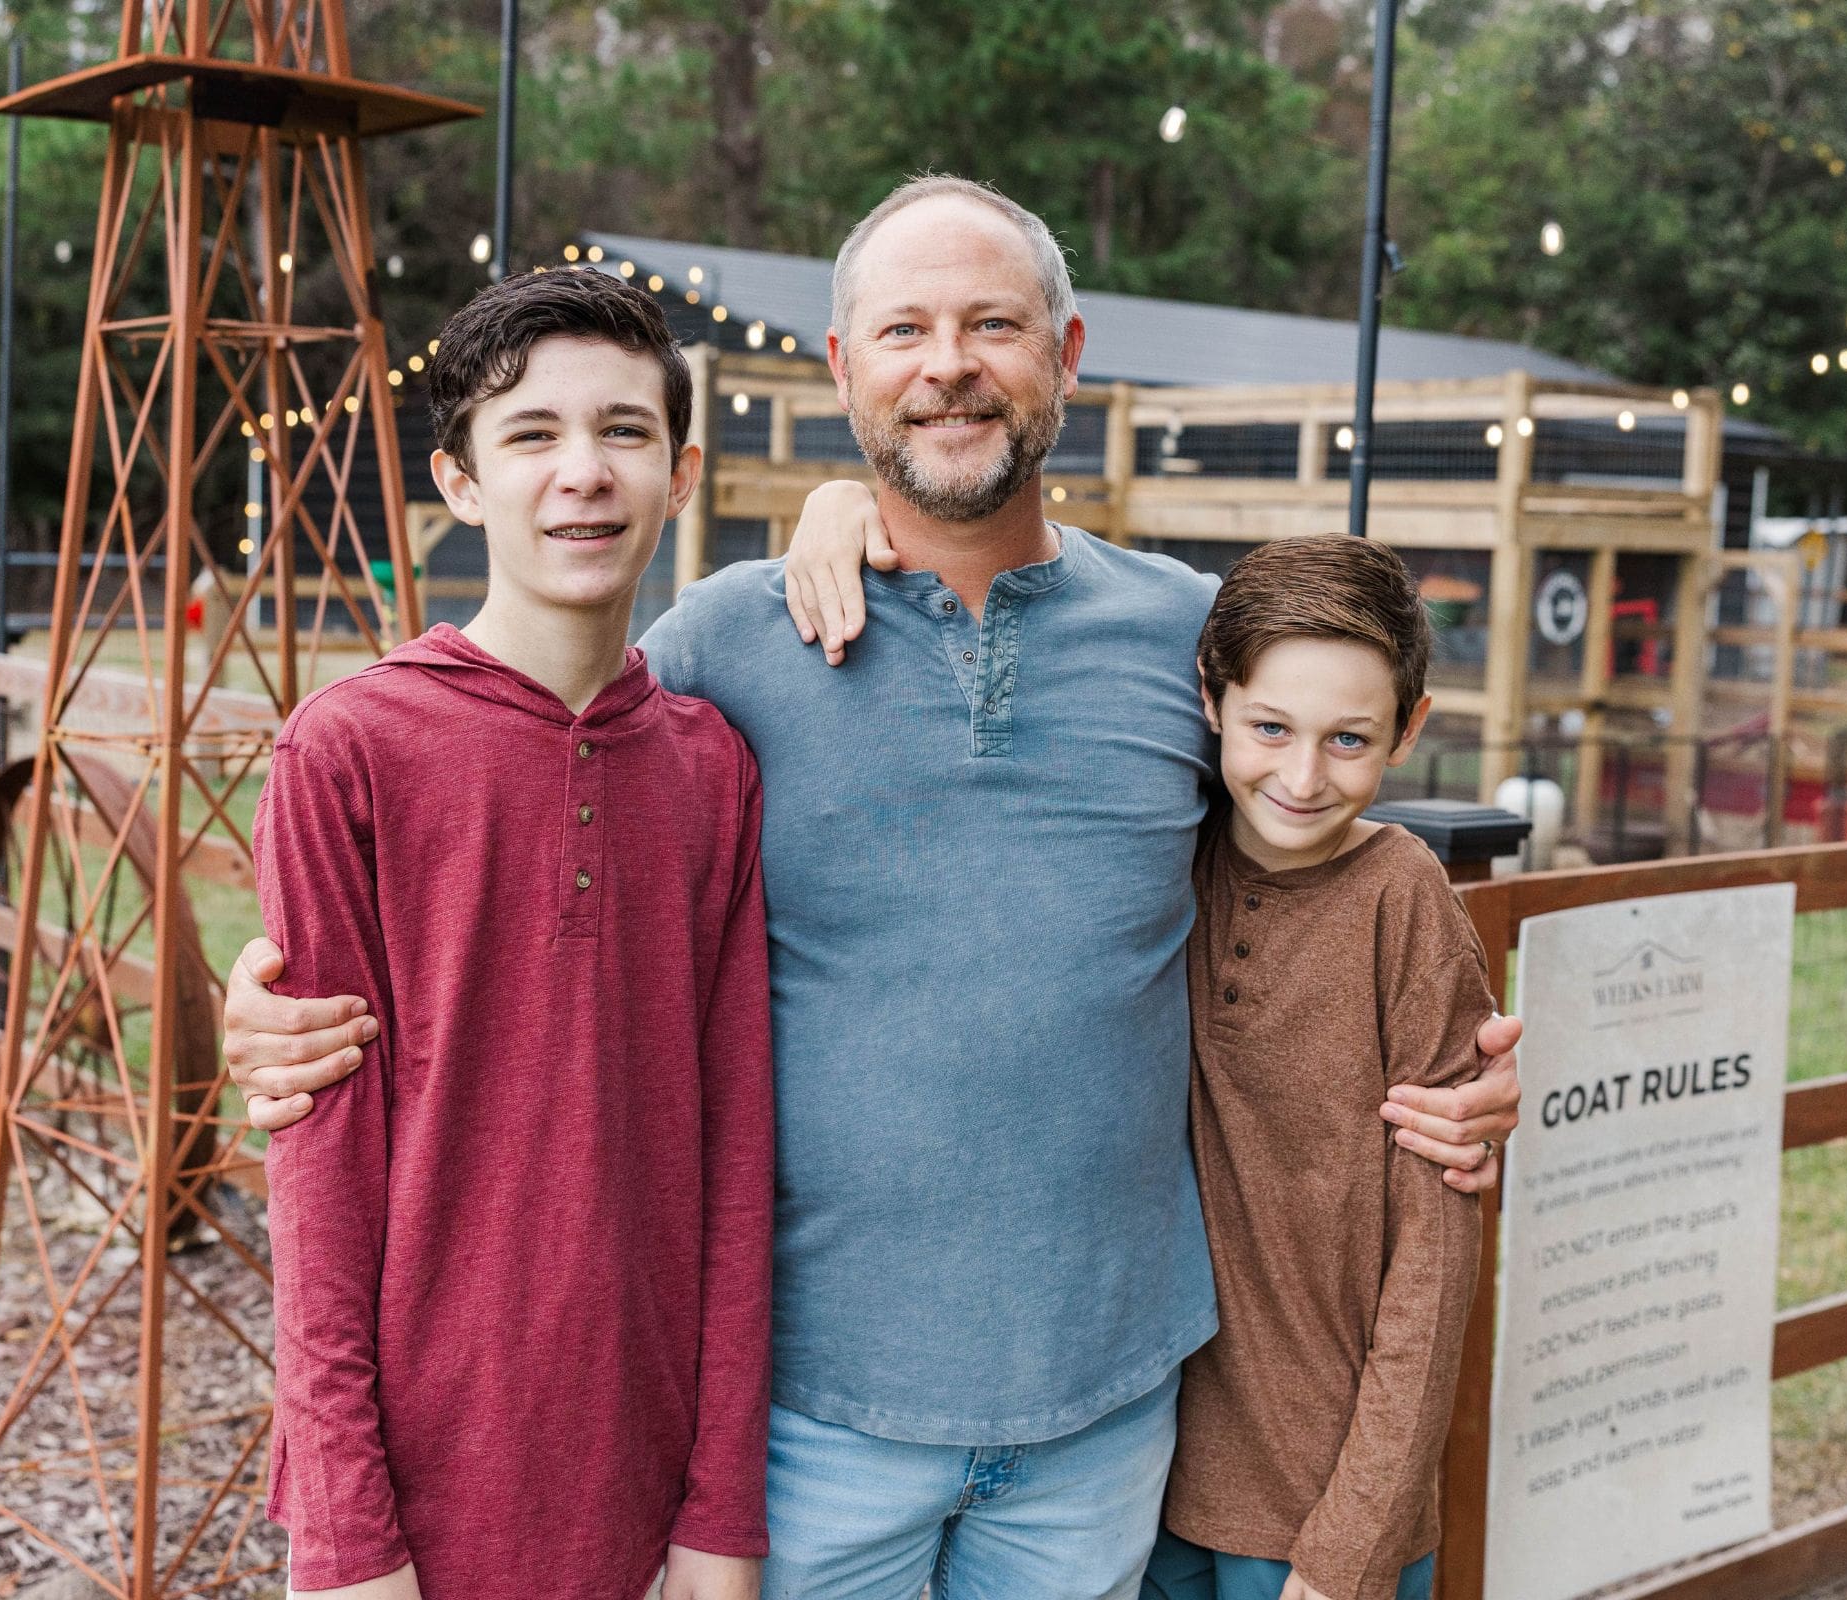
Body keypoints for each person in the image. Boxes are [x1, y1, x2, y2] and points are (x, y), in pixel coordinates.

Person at [225, 176, 1521, 1600]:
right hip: (806, 1413)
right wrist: (275, 1022)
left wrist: (1428, 1069)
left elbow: (1303, 869)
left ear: (1069, 352)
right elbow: (531, 803)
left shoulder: (1187, 644)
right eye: (903, 329)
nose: (949, 363)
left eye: (993, 325)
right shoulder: (726, 646)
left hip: (1101, 1406)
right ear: (842, 369)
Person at [252, 269, 773, 1600]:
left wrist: (719, 1514)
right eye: (532, 436)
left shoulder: (713, 768)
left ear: (682, 469)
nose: (583, 474)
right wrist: (348, 1534)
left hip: (644, 1486)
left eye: (624, 432)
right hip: (421, 1496)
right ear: (461, 482)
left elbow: (732, 1153)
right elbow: (318, 1184)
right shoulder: (349, 750)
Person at [1137, 535, 1491, 1600]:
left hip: (1325, 1518)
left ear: (1408, 729)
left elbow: (1433, 1263)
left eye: (1348, 739)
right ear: (1211, 700)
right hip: (1143, 1485)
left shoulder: (1402, 900)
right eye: (1268, 728)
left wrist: (1349, 1550)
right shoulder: (1163, 854)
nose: (1299, 776)